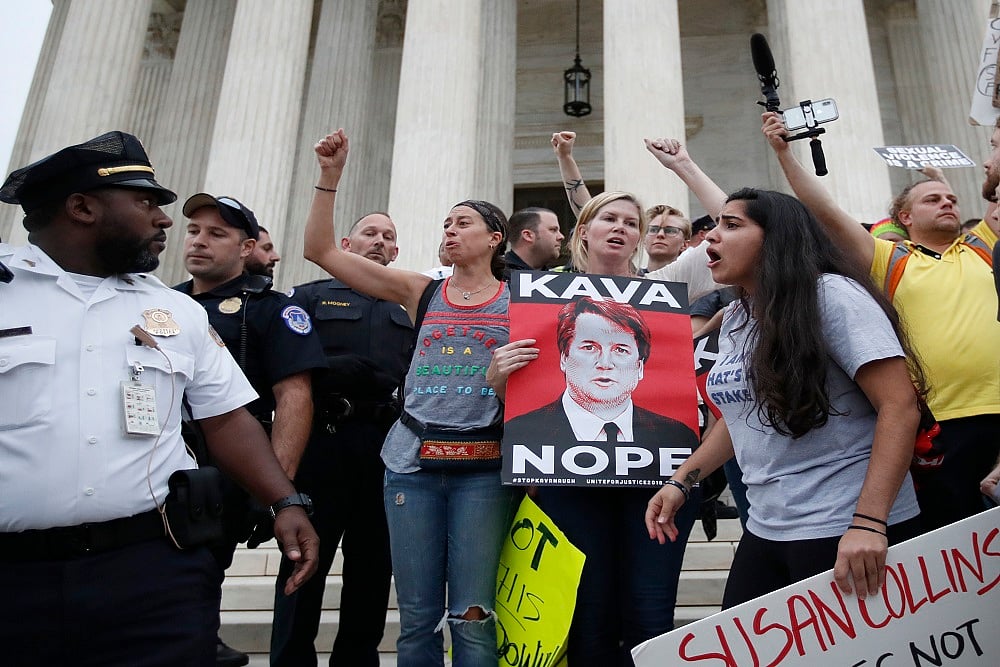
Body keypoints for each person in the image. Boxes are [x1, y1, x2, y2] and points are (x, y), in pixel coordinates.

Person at [0, 131, 318, 667]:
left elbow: (226, 418)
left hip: (153, 570)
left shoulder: (176, 310)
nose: (164, 220)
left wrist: (283, 499)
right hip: (14, 578)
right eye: (145, 204)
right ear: (82, 208)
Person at [646, 187, 924, 610]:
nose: (710, 238)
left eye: (731, 224)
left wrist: (869, 523)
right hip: (766, 526)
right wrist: (683, 480)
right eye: (715, 225)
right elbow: (743, 417)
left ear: (777, 238)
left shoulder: (833, 296)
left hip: (843, 529)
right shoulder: (739, 314)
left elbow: (900, 406)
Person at [303, 129, 519, 667]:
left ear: (495, 237)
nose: (449, 230)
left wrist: (501, 380)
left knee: (473, 616)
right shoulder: (420, 290)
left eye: (462, 222)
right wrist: (330, 179)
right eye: (445, 223)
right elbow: (321, 251)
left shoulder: (523, 303)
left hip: (484, 470)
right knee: (417, 618)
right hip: (410, 467)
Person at [490, 190, 701, 667]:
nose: (621, 227)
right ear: (584, 229)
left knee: (650, 617)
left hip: (656, 485)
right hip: (568, 485)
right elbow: (520, 395)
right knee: (587, 619)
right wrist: (499, 378)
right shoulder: (542, 300)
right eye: (609, 217)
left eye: (632, 221)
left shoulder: (665, 290)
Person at [762, 111, 999, 531]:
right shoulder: (889, 259)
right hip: (939, 423)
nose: (947, 203)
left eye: (952, 200)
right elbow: (826, 210)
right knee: (950, 541)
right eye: (932, 200)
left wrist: (944, 176)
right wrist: (784, 155)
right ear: (903, 218)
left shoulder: (984, 246)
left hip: (998, 414)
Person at [174, 193, 327, 666]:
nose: (200, 242)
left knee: (197, 579)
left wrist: (274, 490)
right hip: (152, 464)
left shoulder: (271, 309)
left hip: (223, 468)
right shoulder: (162, 303)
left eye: (217, 234)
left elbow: (295, 398)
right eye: (194, 231)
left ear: (246, 248)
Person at [271, 212, 411, 667]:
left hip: (386, 448)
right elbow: (286, 368)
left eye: (388, 237)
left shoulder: (413, 306)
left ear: (395, 252)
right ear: (347, 244)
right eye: (370, 233)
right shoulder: (308, 298)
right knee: (303, 560)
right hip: (323, 444)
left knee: (372, 568)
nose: (379, 242)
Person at [504, 296, 695, 448]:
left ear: (640, 366)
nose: (605, 363)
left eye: (621, 350)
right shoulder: (523, 431)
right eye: (589, 347)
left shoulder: (677, 435)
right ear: (564, 358)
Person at [503, 206, 565, 277]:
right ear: (528, 235)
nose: (561, 237)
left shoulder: (558, 280)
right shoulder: (495, 277)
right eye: (553, 230)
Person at [640, 204, 690, 275]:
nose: (660, 234)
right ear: (644, 239)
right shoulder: (629, 279)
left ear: (684, 244)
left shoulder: (691, 282)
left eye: (670, 231)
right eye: (653, 230)